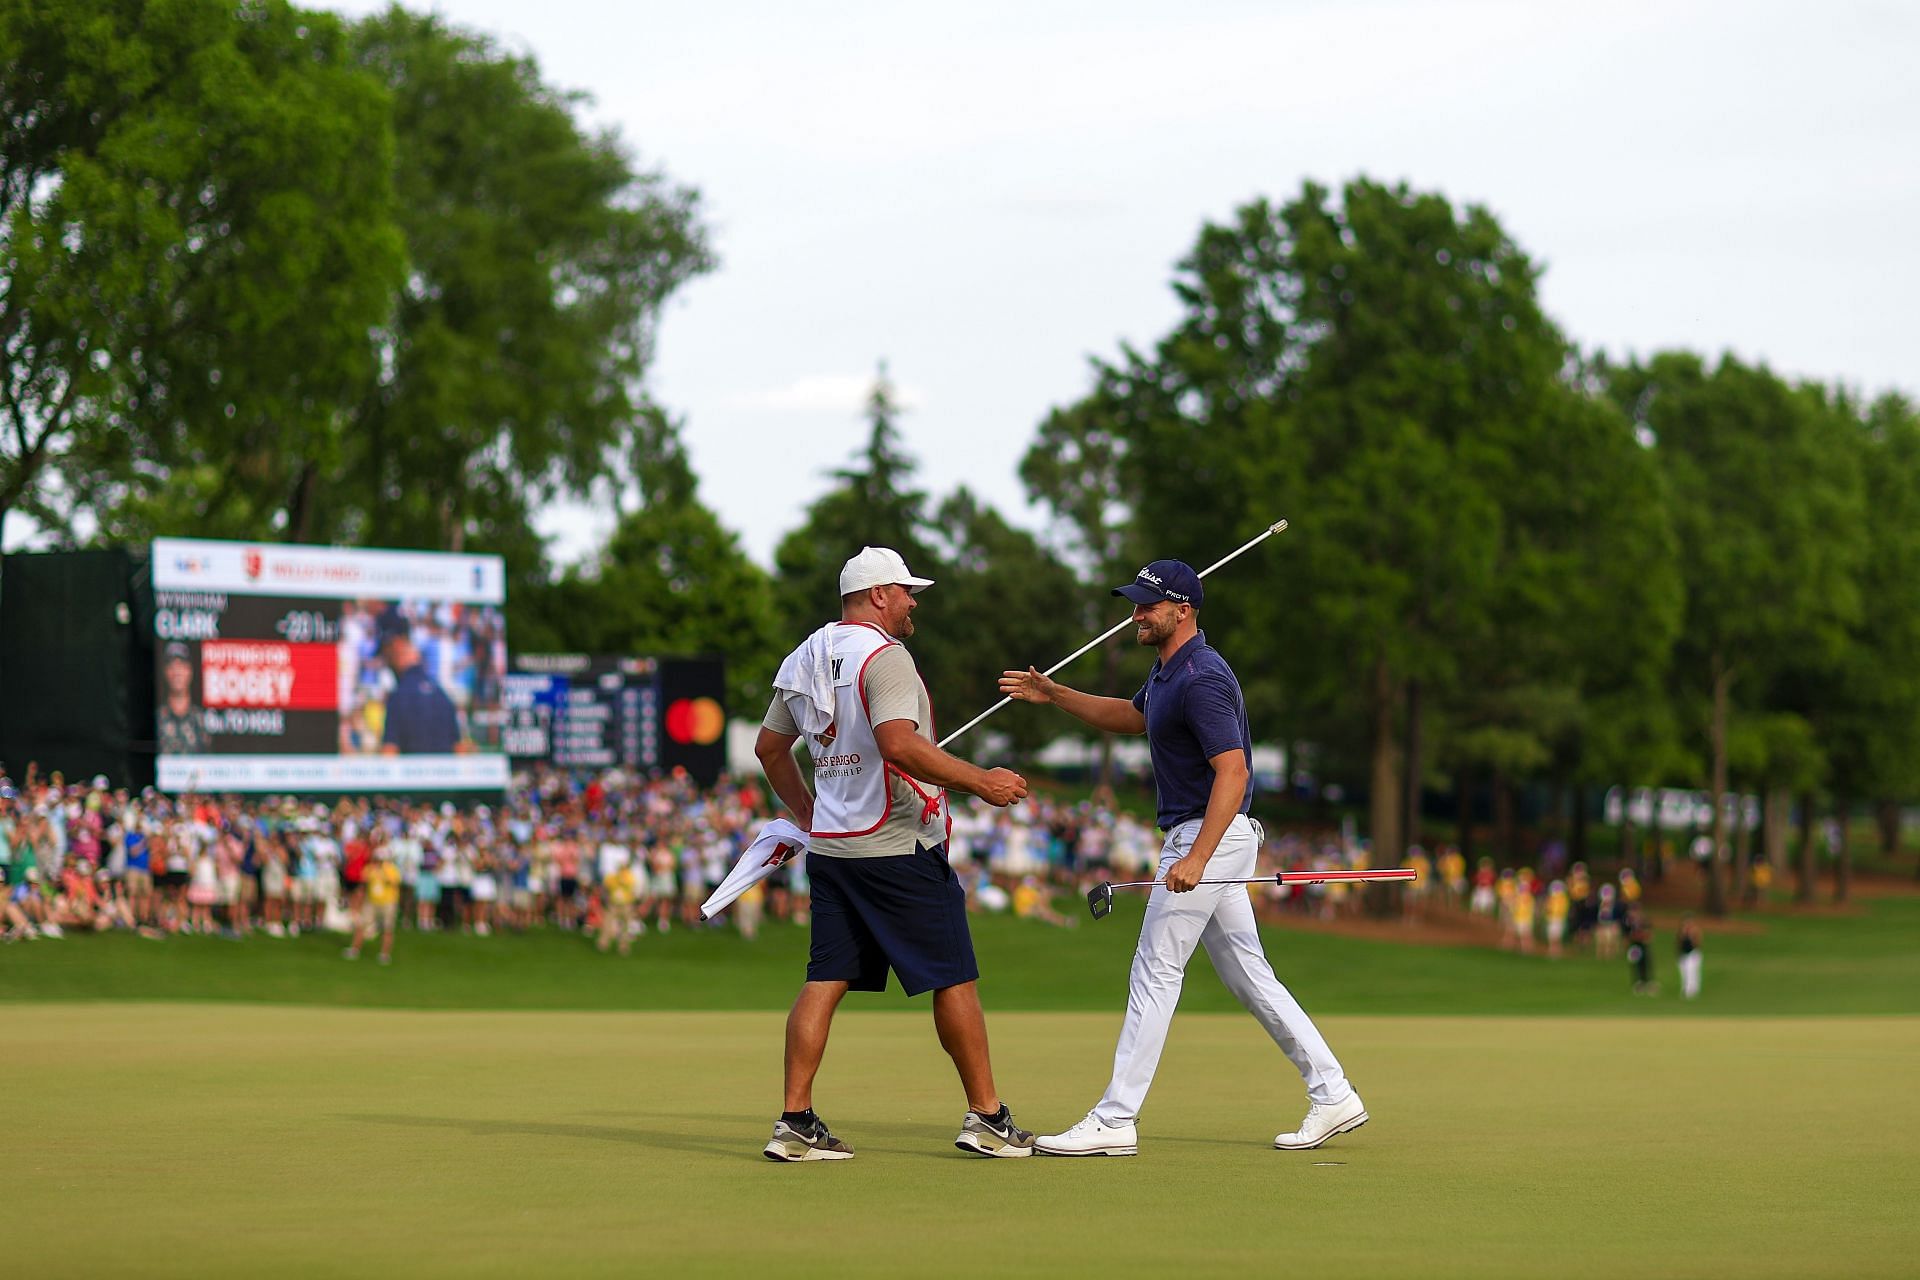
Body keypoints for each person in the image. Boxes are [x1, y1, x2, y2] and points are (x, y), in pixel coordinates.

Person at [1000, 558, 1364, 1157]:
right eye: (1135, 603)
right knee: (1249, 974)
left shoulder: (1202, 677)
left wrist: (1198, 856)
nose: (1136, 614)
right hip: (1206, 834)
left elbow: (1234, 770)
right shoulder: (1168, 673)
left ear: (1183, 609)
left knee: (1156, 969)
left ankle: (1116, 1118)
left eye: (1147, 604)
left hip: (1208, 834)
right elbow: (1131, 715)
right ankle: (1333, 1092)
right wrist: (1054, 693)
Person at [754, 545, 1036, 1161]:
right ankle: (987, 1118)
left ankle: (794, 1122)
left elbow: (770, 749)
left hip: (833, 850)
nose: (913, 603)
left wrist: (809, 814)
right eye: (907, 592)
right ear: (878, 594)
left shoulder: (802, 656)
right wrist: (981, 781)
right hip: (896, 846)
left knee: (824, 980)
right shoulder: (886, 657)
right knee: (952, 977)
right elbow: (899, 747)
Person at [375, 608, 462, 755]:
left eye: (384, 652)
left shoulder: (398, 699)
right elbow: (460, 752)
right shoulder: (442, 696)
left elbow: (389, 755)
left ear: (394, 645)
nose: (384, 660)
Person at [157, 642, 210, 755]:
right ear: (165, 672)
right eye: (172, 666)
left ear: (190, 671)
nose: (177, 672)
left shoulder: (202, 720)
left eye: (181, 665)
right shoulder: (157, 718)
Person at [1677, 914, 1703, 999]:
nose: (1687, 924)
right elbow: (1679, 944)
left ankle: (1690, 991)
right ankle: (1686, 988)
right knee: (1684, 973)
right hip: (1683, 954)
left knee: (1691, 972)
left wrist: (1690, 936)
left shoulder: (1695, 931)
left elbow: (1697, 944)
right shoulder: (1681, 932)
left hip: (1693, 954)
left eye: (1688, 922)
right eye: (1685, 922)